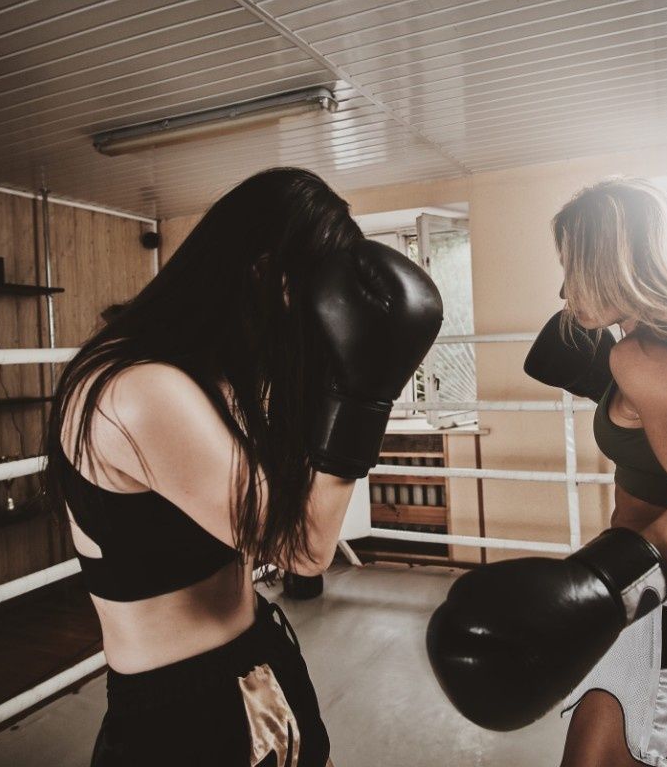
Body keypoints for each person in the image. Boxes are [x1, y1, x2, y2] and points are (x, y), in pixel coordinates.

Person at [44, 167, 442, 767]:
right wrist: (365, 394)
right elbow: (304, 548)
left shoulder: (213, 373)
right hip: (185, 708)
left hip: (259, 654)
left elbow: (282, 498)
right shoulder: (140, 391)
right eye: (313, 298)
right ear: (264, 273)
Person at [426, 177, 667, 767]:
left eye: (573, 266)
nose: (562, 288)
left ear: (617, 262)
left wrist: (600, 586)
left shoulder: (640, 356)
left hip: (665, 603)